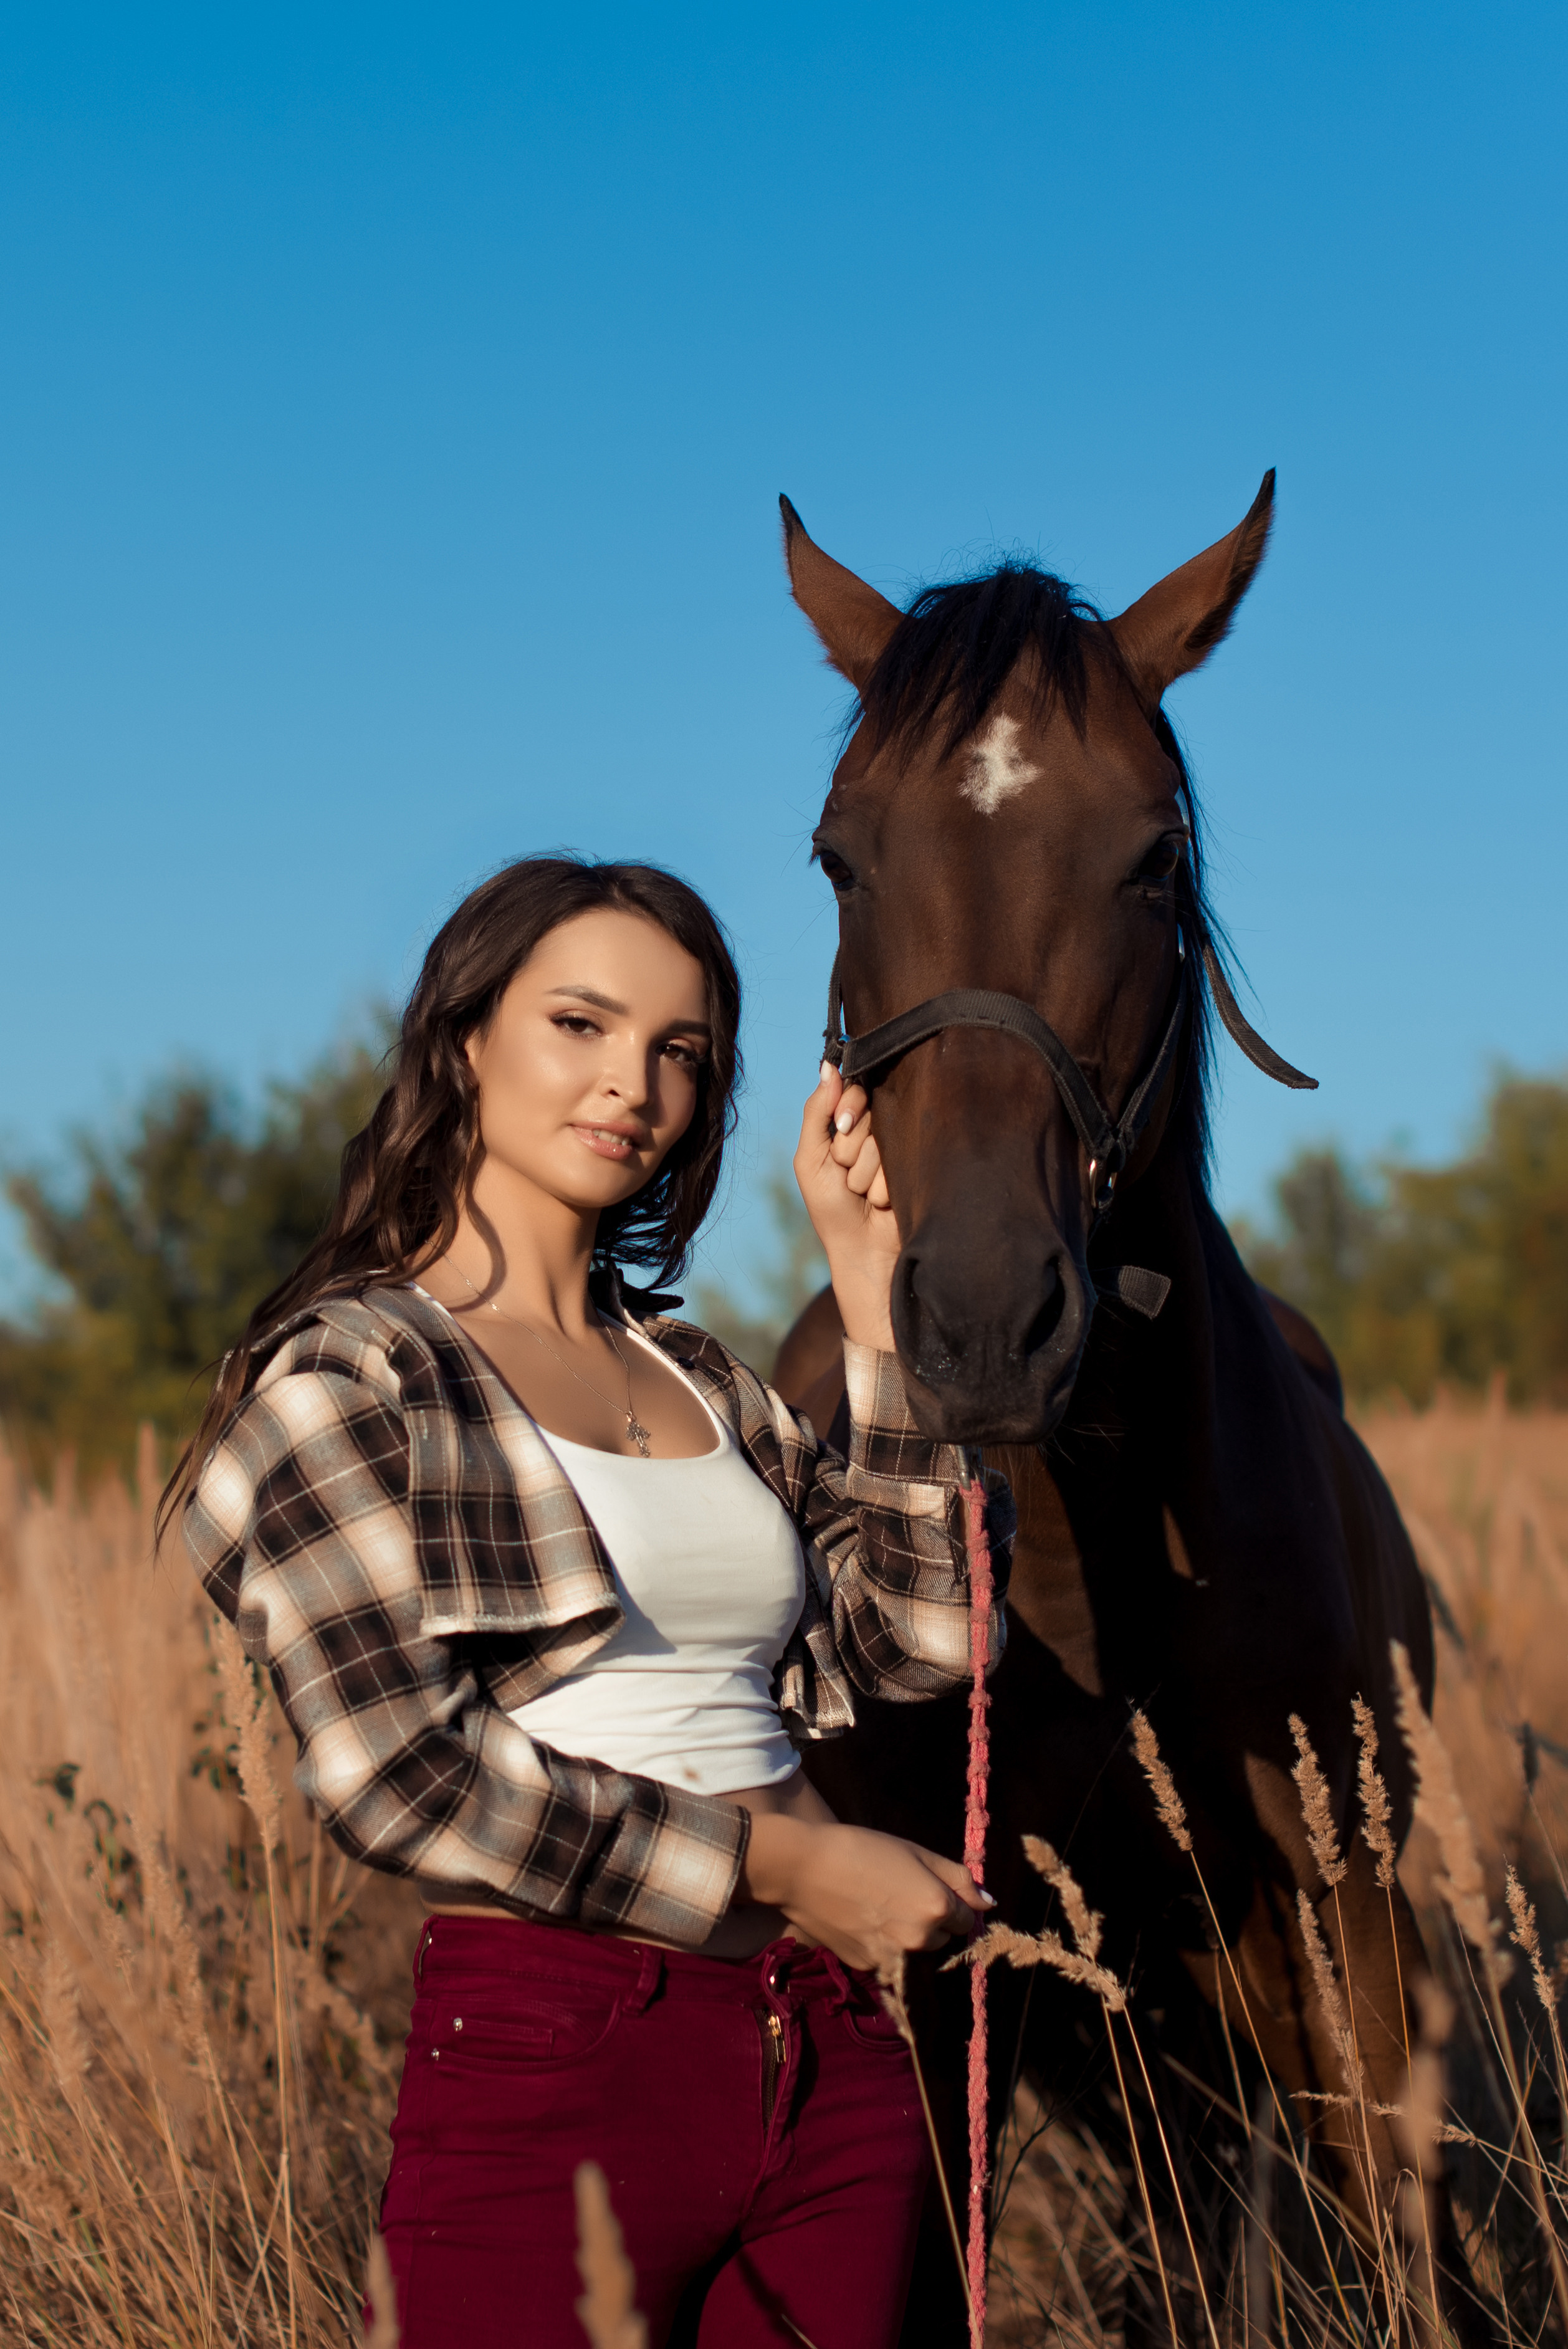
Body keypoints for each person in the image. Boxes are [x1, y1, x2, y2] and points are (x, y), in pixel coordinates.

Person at [171, 855, 1012, 2349]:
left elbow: (926, 1637)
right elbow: (400, 1778)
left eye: (680, 1052)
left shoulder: (706, 1383)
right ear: (464, 1039)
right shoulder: (346, 1381)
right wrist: (793, 1868)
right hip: (558, 2048)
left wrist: (871, 1288)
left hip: (831, 2044)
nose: (633, 1082)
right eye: (580, 1023)